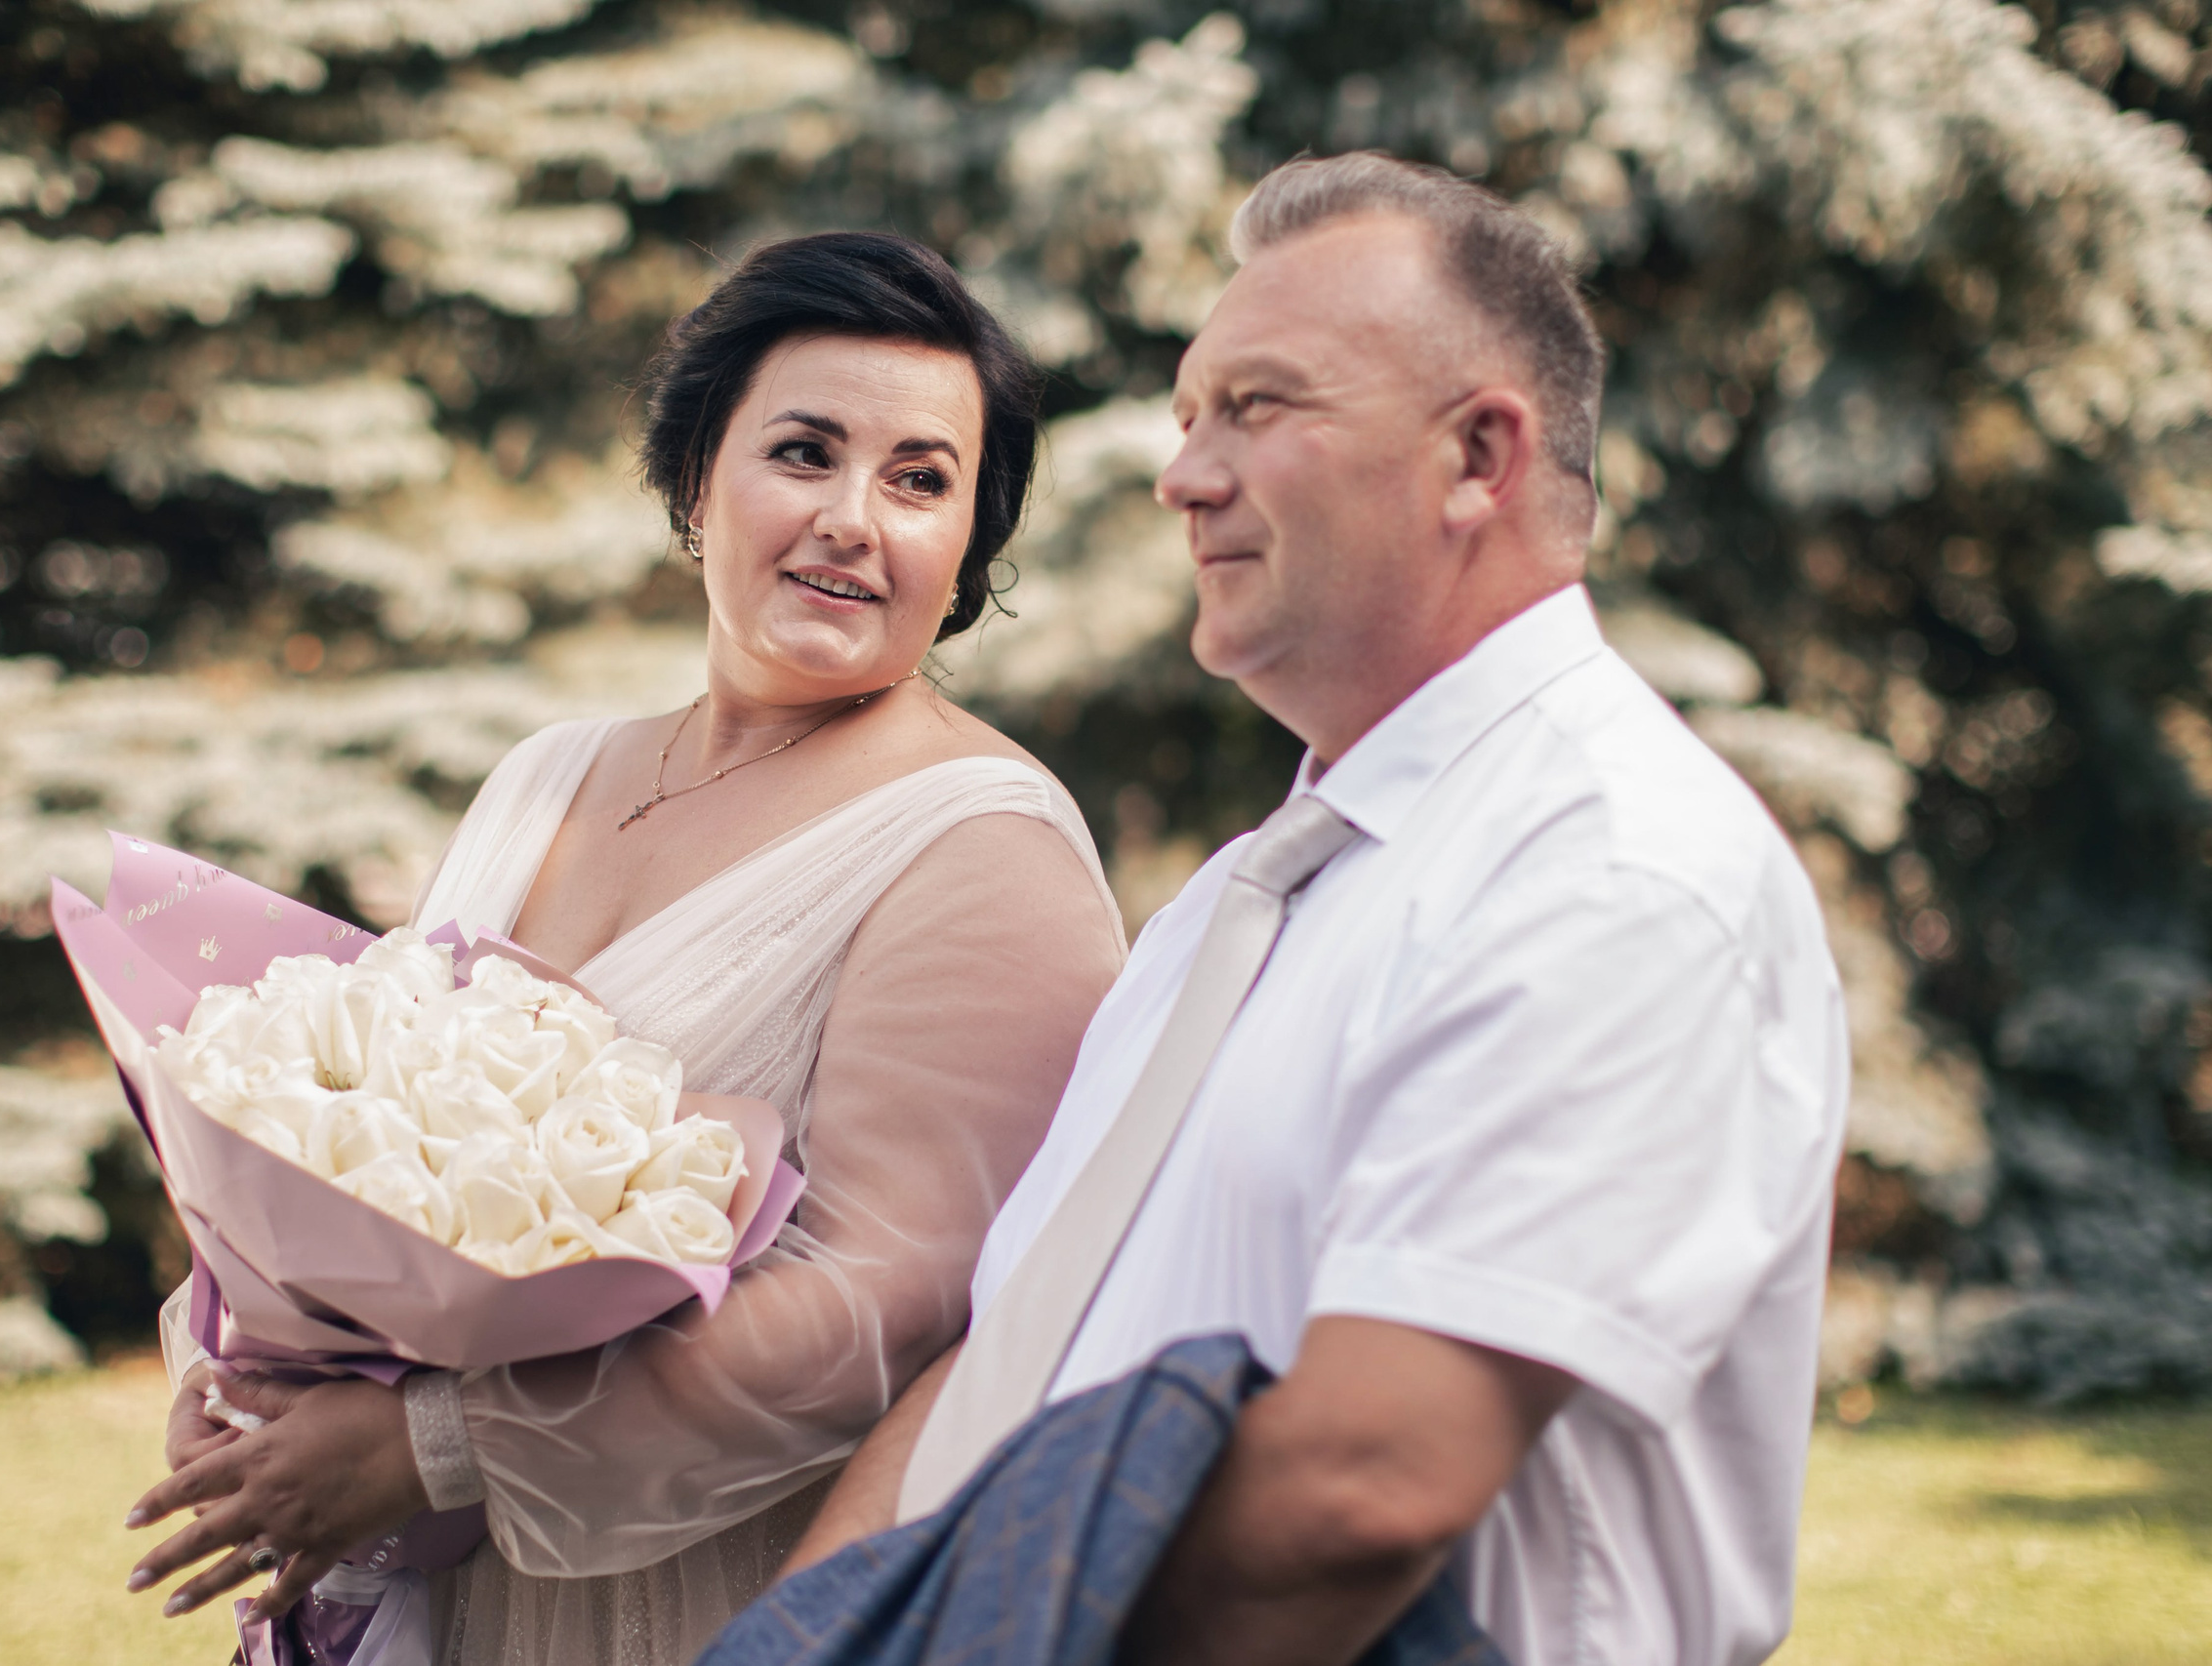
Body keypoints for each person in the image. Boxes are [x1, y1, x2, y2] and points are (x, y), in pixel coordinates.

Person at [787, 154, 1850, 1666]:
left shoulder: (1611, 873)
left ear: (1479, 455)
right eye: (1186, 416)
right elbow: (1009, 1362)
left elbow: (1366, 1489)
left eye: (1257, 408)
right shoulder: (1239, 901)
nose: (1181, 476)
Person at [120, 230, 1129, 1665]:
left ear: (967, 546)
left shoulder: (984, 844)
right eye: (804, 452)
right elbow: (362, 1135)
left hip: (692, 1603)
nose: (855, 517)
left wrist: (434, 1451)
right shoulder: (544, 777)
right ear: (696, 475)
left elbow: (890, 1301)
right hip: (436, 1592)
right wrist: (245, 1368)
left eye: (921, 480)